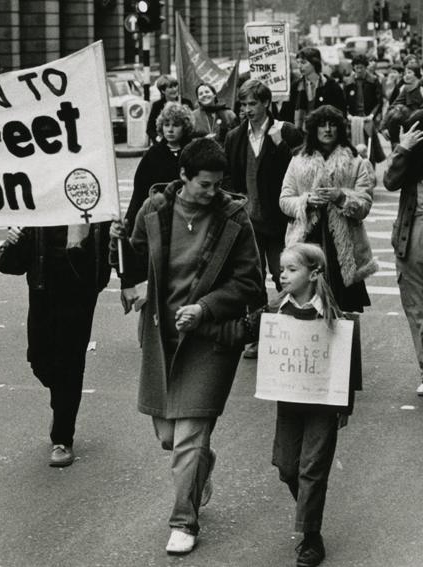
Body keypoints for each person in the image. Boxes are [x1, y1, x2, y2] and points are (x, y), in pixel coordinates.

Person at [113, 138, 265, 555]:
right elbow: (134, 260)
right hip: (163, 336)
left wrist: (205, 308)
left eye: (217, 184)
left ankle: (183, 521)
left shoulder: (234, 217)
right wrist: (118, 244)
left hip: (211, 338)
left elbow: (250, 283)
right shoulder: (155, 210)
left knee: (189, 434)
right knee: (168, 435)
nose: (213, 192)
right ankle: (201, 466)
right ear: (182, 178)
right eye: (204, 185)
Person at [267, 242, 360, 567]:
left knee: (312, 470)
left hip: (323, 403)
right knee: (288, 466)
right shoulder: (276, 310)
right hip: (290, 401)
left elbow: (349, 360)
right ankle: (309, 511)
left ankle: (311, 537)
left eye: (292, 270)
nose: (283, 275)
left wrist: (345, 405)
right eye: (282, 269)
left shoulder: (334, 313)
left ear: (314, 273)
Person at [0, 219, 115, 467]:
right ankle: (61, 399)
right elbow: (9, 265)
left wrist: (117, 236)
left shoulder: (94, 206)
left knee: (70, 364)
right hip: (43, 289)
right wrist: (14, 240)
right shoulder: (39, 208)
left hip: (80, 293)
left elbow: (113, 253)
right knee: (39, 359)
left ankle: (62, 438)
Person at [223, 79, 303, 358]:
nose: (247, 109)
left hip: (279, 219)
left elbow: (300, 169)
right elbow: (228, 173)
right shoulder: (234, 136)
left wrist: (281, 143)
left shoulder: (286, 131)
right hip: (247, 220)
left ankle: (293, 330)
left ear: (267, 103)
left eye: (252, 104)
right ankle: (259, 335)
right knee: (253, 280)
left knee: (286, 276)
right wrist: (235, 200)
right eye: (243, 104)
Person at [279, 105, 378, 314]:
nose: (327, 130)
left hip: (344, 248)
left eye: (332, 125)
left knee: (343, 313)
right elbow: (285, 200)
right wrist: (306, 201)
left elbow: (365, 206)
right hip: (306, 241)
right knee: (305, 307)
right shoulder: (298, 161)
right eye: (322, 125)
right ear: (313, 129)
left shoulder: (356, 161)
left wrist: (341, 197)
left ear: (340, 129)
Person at [119, 102, 194, 284]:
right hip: (160, 220)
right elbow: (140, 191)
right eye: (166, 124)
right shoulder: (153, 154)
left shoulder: (192, 151)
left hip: (189, 219)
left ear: (184, 127)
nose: (170, 129)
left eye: (175, 125)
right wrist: (129, 222)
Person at [382, 109, 423, 395]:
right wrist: (402, 149)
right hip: (413, 234)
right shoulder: (415, 129)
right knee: (417, 308)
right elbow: (389, 181)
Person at [288, 47, 346, 130]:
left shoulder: (331, 86)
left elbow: (340, 112)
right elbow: (286, 113)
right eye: (298, 63)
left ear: (314, 63)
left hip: (324, 131)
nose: (300, 66)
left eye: (303, 63)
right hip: (300, 133)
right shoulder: (295, 86)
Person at [147, 75, 194, 143]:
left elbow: (191, 125)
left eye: (175, 86)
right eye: (170, 87)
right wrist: (158, 138)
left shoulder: (186, 103)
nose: (174, 89)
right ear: (163, 91)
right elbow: (150, 129)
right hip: (163, 143)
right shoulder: (157, 105)